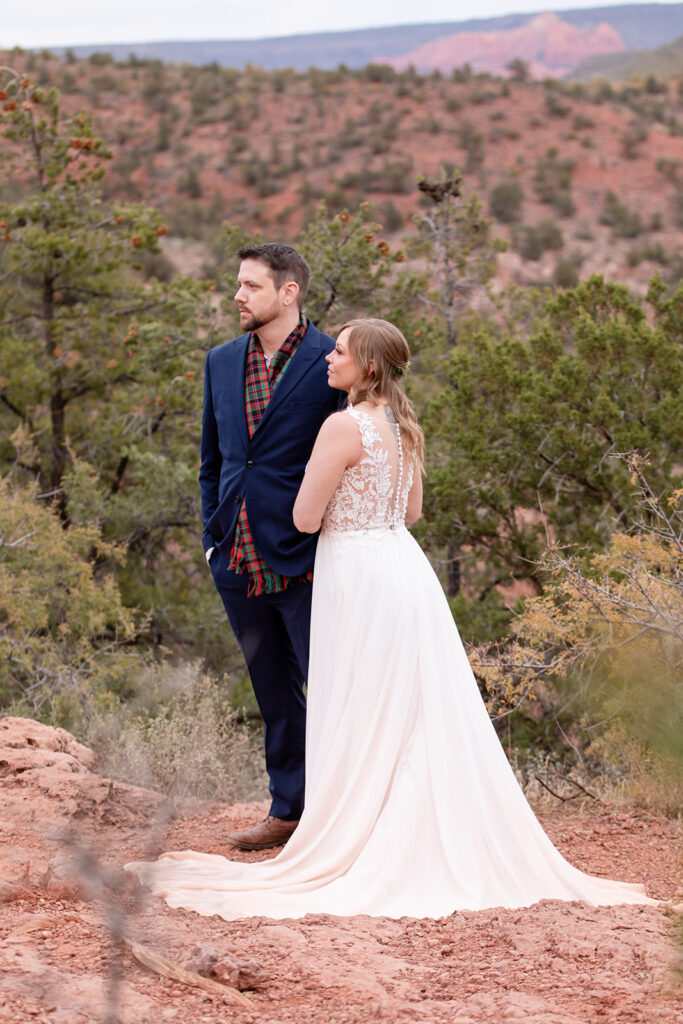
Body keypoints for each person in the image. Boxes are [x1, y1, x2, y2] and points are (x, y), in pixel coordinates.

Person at [126, 318, 652, 919]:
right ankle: (415, 825)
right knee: (409, 705)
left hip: (354, 573)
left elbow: (303, 518)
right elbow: (413, 509)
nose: (330, 359)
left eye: (342, 352)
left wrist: (324, 503)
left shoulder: (341, 427)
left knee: (360, 700)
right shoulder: (403, 428)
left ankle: (361, 829)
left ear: (368, 368)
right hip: (402, 569)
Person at [198, 243, 341, 852]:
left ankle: (341, 816)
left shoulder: (333, 359)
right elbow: (214, 459)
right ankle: (288, 810)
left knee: (331, 686)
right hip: (237, 553)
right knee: (272, 690)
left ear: (289, 292)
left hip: (309, 555)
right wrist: (213, 533)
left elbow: (353, 455)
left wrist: (331, 544)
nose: (238, 296)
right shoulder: (221, 361)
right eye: (238, 284)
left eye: (251, 286)